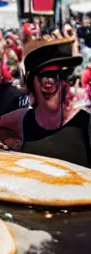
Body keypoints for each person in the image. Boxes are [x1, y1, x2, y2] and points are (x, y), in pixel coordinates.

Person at [14, 37, 91, 166]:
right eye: (47, 76)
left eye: (64, 75)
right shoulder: (27, 121)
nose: (58, 84)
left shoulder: (85, 123)